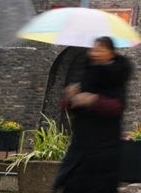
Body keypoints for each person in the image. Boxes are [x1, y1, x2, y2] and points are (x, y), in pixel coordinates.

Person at [54, 36, 134, 193]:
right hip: (81, 146)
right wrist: (69, 97)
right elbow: (70, 108)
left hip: (104, 148)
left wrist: (94, 100)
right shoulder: (87, 72)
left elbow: (118, 106)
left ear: (110, 53)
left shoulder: (117, 75)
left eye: (100, 49)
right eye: (93, 49)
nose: (95, 53)